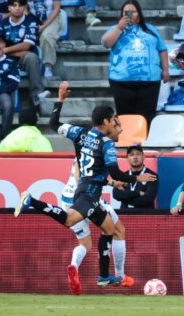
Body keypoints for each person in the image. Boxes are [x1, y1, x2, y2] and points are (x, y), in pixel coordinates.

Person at [14, 81, 156, 287]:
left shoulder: (80, 133)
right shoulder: (106, 144)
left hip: (89, 190)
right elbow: (116, 171)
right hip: (88, 193)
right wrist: (136, 178)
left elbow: (53, 123)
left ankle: (104, 276)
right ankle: (32, 201)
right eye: (114, 121)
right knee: (69, 220)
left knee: (109, 228)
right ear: (106, 122)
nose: (116, 124)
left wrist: (60, 100)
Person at [59, 158, 132, 294]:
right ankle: (121, 276)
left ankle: (74, 266)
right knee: (118, 230)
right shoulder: (100, 149)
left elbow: (86, 173)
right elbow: (82, 176)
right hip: (86, 197)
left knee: (85, 243)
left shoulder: (83, 148)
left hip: (67, 198)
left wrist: (112, 183)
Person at [100, 0, 169, 127]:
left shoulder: (150, 29)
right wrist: (119, 28)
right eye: (126, 12)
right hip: (121, 82)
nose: (130, 15)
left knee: (146, 118)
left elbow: (162, 50)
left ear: (139, 13)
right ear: (122, 13)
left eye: (133, 12)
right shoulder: (114, 29)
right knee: (125, 119)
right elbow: (106, 43)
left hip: (149, 82)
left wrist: (165, 70)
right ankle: (126, 139)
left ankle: (144, 139)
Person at [0, 0, 49, 112]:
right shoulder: (2, 24)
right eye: (14, 5)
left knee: (31, 57)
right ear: (9, 8)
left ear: (25, 7)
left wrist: (6, 50)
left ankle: (37, 94)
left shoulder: (31, 22)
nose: (17, 8)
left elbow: (26, 45)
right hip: (7, 59)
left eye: (20, 5)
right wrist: (14, 53)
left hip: (24, 60)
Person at [23, 0, 61, 78]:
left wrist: (43, 26)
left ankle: (48, 67)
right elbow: (24, 8)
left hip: (52, 18)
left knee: (46, 36)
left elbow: (56, 9)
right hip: (32, 19)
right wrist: (31, 23)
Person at [112, 144, 158, 208]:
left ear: (143, 157)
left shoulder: (151, 175)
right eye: (131, 155)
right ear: (127, 158)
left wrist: (124, 197)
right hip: (125, 213)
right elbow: (116, 194)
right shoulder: (122, 176)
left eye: (138, 154)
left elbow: (148, 199)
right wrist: (138, 193)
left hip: (144, 213)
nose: (135, 157)